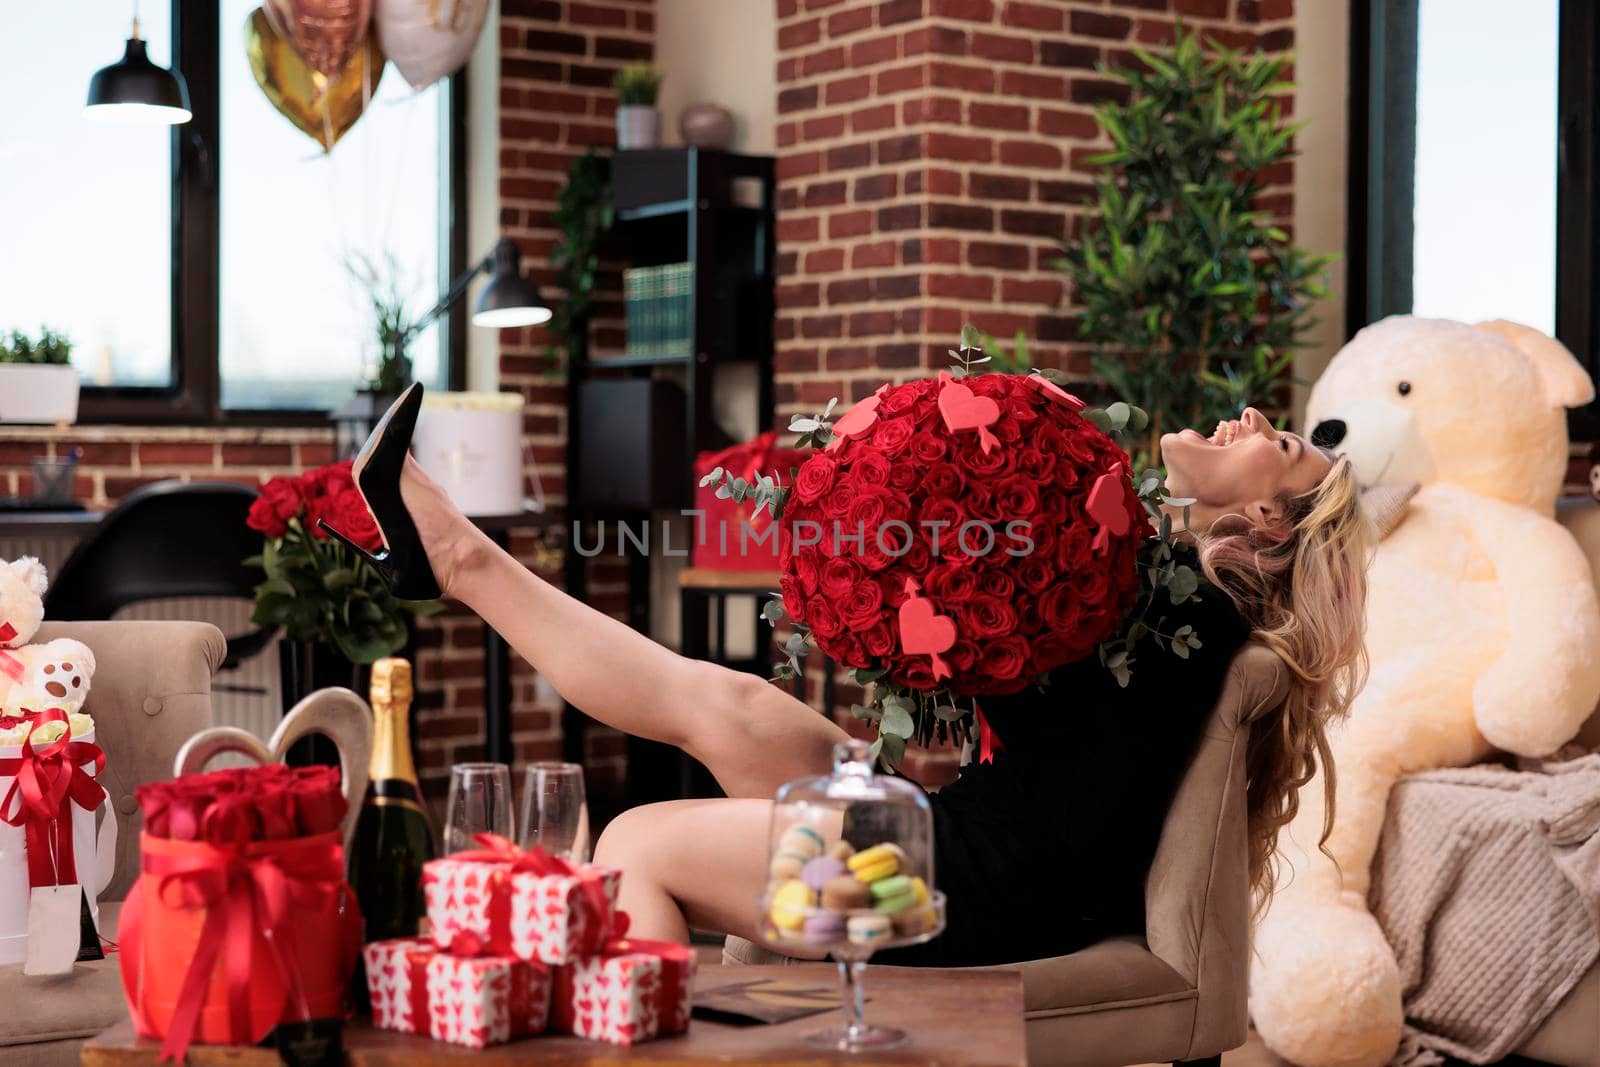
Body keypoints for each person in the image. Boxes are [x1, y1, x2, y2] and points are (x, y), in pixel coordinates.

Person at [337, 390, 1370, 967]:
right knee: (721, 698)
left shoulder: (1179, 597)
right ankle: (456, 557)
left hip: (972, 890)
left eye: (1275, 444)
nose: (1244, 414)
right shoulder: (1156, 581)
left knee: (635, 839)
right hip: (972, 839)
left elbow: (984, 625)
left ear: (1270, 522)